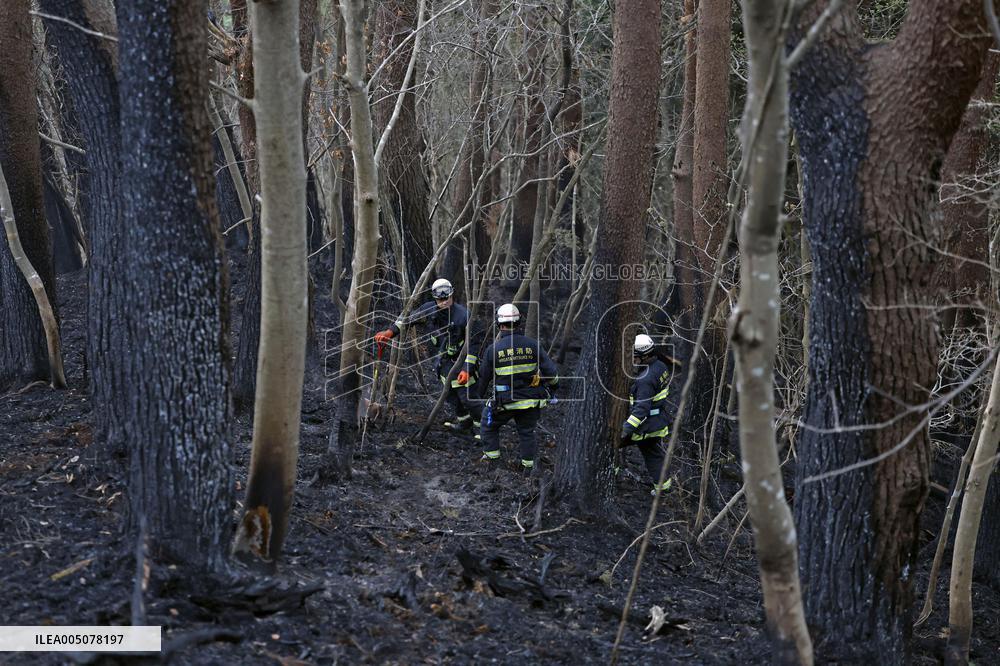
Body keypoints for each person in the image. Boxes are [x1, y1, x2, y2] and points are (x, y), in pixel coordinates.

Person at [373, 278, 482, 432]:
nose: (444, 302)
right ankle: (465, 424)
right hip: (442, 363)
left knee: (468, 398)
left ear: (452, 294)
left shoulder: (464, 316)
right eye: (440, 299)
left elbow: (474, 344)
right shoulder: (428, 309)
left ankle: (483, 430)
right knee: (452, 397)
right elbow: (407, 319)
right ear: (435, 298)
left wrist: (467, 369)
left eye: (447, 298)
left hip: (461, 361)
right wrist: (390, 332)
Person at [464, 303, 559, 471]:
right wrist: (553, 389)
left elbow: (484, 379)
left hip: (504, 402)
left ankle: (493, 462)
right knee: (526, 432)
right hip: (531, 400)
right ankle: (527, 469)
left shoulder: (493, 350)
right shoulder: (533, 345)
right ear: (519, 322)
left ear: (499, 324)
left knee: (488, 425)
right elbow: (551, 373)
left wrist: (479, 396)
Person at [620, 334, 672, 495]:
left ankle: (612, 472)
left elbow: (641, 410)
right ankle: (664, 487)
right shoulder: (660, 366)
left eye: (635, 356)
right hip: (658, 419)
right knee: (654, 455)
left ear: (644, 356)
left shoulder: (645, 380)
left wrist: (625, 429)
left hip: (646, 425)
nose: (632, 359)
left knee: (612, 442)